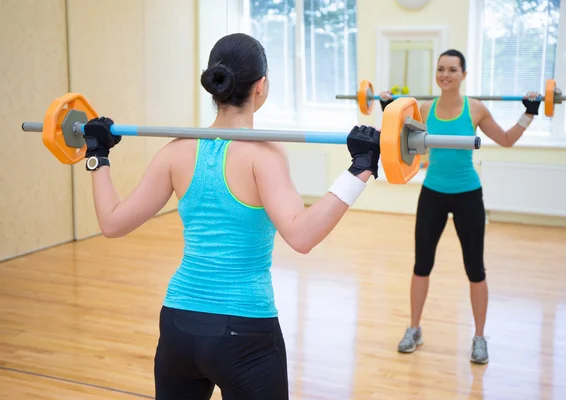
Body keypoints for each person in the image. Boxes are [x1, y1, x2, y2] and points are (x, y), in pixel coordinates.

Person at [80, 33, 381, 399]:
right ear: (261, 86)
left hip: (178, 325)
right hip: (245, 331)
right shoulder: (264, 156)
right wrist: (359, 169)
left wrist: (97, 154)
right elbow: (301, 237)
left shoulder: (176, 151)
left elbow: (112, 222)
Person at [379, 49, 541, 364]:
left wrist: (530, 112)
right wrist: (388, 109)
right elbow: (398, 139)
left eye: (452, 70)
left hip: (467, 194)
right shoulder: (424, 109)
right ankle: (414, 328)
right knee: (421, 265)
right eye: (441, 69)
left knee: (475, 269)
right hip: (433, 193)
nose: (445, 75)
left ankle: (479, 337)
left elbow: (506, 139)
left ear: (463, 75)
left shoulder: (476, 109)